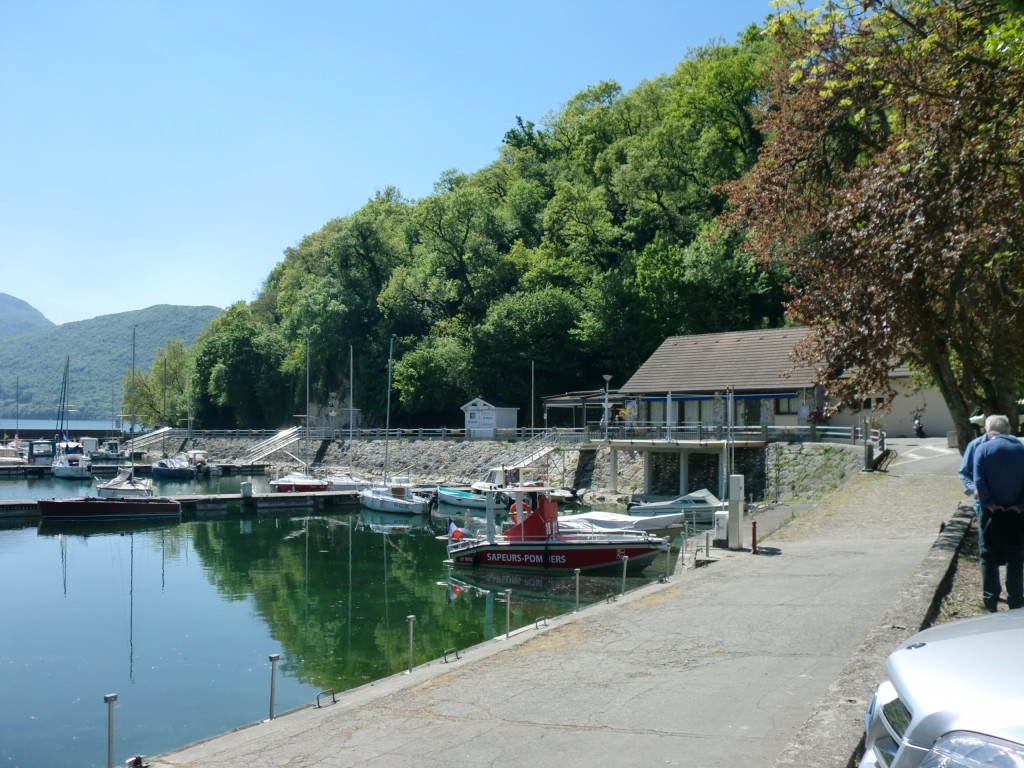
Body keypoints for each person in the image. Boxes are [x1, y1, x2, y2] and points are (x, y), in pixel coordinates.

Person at [973, 414, 1024, 611]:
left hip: (990, 512)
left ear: (988, 431)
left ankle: (991, 600)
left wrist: (990, 503)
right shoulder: (1021, 449)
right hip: (1016, 511)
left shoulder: (983, 449)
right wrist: (1020, 505)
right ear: (1008, 429)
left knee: (988, 554)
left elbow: (979, 480)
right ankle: (1015, 600)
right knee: (1016, 555)